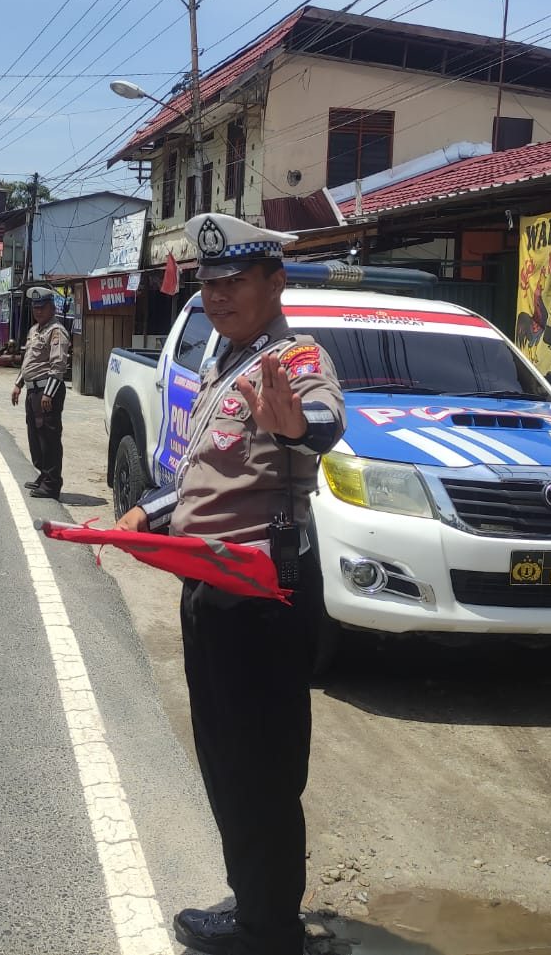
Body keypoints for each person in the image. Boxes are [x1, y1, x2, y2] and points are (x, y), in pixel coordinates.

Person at [114, 213, 346, 955]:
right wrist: (150, 508)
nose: (217, 296)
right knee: (224, 755)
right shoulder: (226, 360)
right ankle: (256, 901)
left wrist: (294, 426)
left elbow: (322, 416)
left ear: (275, 282)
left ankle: (269, 929)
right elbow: (203, 472)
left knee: (263, 765)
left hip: (262, 589)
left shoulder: (295, 356)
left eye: (233, 282)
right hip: (212, 582)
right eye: (209, 284)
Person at [10, 286, 72, 499]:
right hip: (33, 390)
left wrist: (49, 394)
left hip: (47, 391)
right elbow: (29, 361)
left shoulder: (57, 331)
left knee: (49, 437)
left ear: (52, 308)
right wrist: (18, 384)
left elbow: (58, 366)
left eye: (42, 307)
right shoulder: (35, 330)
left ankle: (52, 483)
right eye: (35, 308)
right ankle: (43, 475)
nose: (38, 311)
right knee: (35, 437)